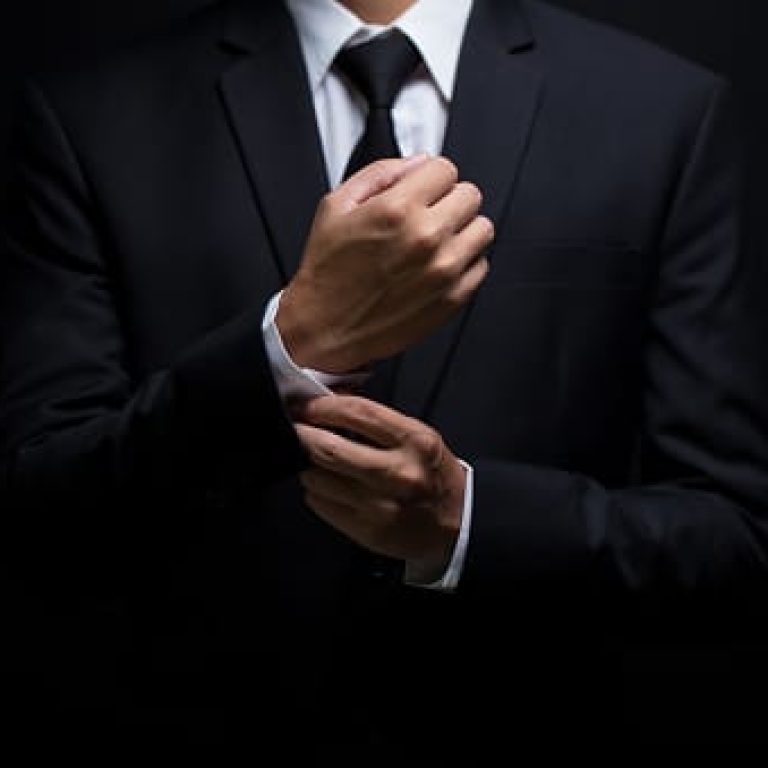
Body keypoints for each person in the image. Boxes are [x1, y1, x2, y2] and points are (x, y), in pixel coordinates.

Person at [2, 0, 767, 758]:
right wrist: (290, 344)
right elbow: (41, 512)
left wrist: (466, 522)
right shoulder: (92, 116)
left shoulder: (664, 111)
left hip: (531, 733)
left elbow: (733, 538)